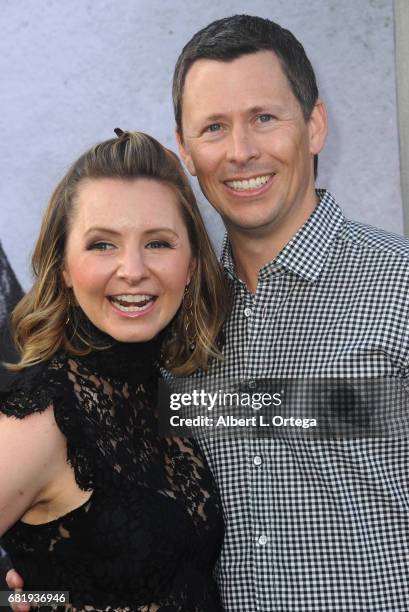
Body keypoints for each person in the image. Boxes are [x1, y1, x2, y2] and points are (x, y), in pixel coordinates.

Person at [169, 14, 409, 612]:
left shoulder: (400, 285)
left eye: (264, 118)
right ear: (186, 152)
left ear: (315, 125)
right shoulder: (175, 321)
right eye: (214, 128)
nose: (242, 151)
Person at [0, 129, 230, 611]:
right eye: (103, 244)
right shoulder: (40, 415)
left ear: (190, 264)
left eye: (159, 243)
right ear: (63, 265)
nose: (132, 269)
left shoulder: (163, 391)